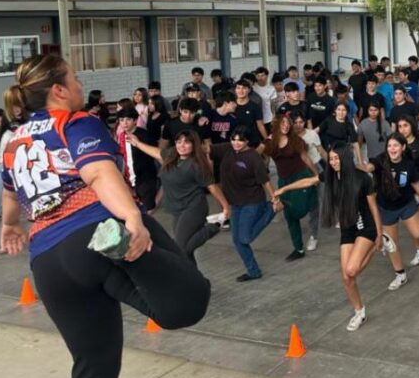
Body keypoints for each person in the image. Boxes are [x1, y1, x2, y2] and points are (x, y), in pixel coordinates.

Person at [0, 54, 210, 378]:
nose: (80, 84)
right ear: (59, 90)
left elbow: (9, 194)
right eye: (75, 78)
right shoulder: (75, 122)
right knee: (190, 300)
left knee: (92, 367)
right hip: (95, 229)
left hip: (48, 261)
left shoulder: (13, 141)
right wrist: (132, 216)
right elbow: (96, 172)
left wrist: (9, 226)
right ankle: (134, 260)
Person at [129, 129, 229, 266]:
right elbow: (156, 152)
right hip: (176, 209)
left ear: (194, 145)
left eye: (187, 142)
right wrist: (137, 143)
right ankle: (194, 277)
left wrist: (225, 207)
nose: (182, 145)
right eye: (179, 141)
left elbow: (212, 186)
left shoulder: (196, 164)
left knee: (180, 248)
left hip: (193, 208)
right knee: (186, 250)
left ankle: (213, 227)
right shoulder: (171, 155)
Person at [321, 145, 383, 331]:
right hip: (347, 229)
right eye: (331, 159)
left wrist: (379, 234)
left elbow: (373, 207)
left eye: (337, 158)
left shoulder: (362, 178)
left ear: (345, 158)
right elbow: (309, 180)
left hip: (365, 226)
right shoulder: (332, 177)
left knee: (352, 270)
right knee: (346, 278)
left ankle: (376, 247)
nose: (334, 162)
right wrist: (283, 190)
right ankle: (359, 312)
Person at [361, 135, 419, 290]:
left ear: (403, 147)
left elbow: (415, 182)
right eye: (389, 145)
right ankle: (400, 275)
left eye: (396, 145)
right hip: (386, 209)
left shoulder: (408, 163)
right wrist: (359, 168)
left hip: (406, 204)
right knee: (392, 244)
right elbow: (369, 167)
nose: (392, 149)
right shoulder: (380, 160)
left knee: (418, 233)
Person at [211, 127, 278, 281]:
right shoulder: (227, 149)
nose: (236, 143)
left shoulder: (253, 157)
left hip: (252, 201)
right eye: (233, 139)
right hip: (235, 203)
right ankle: (253, 271)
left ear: (247, 141)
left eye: (240, 140)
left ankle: (270, 210)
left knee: (245, 238)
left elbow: (265, 181)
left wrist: (275, 199)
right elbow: (206, 149)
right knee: (237, 240)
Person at [263, 114, 322, 259]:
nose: (286, 126)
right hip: (284, 181)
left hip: (301, 177)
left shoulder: (296, 140)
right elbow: (258, 156)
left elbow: (305, 157)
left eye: (288, 123)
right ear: (277, 124)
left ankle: (311, 200)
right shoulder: (270, 142)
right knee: (289, 216)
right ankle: (298, 249)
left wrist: (316, 175)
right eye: (283, 123)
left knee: (299, 210)